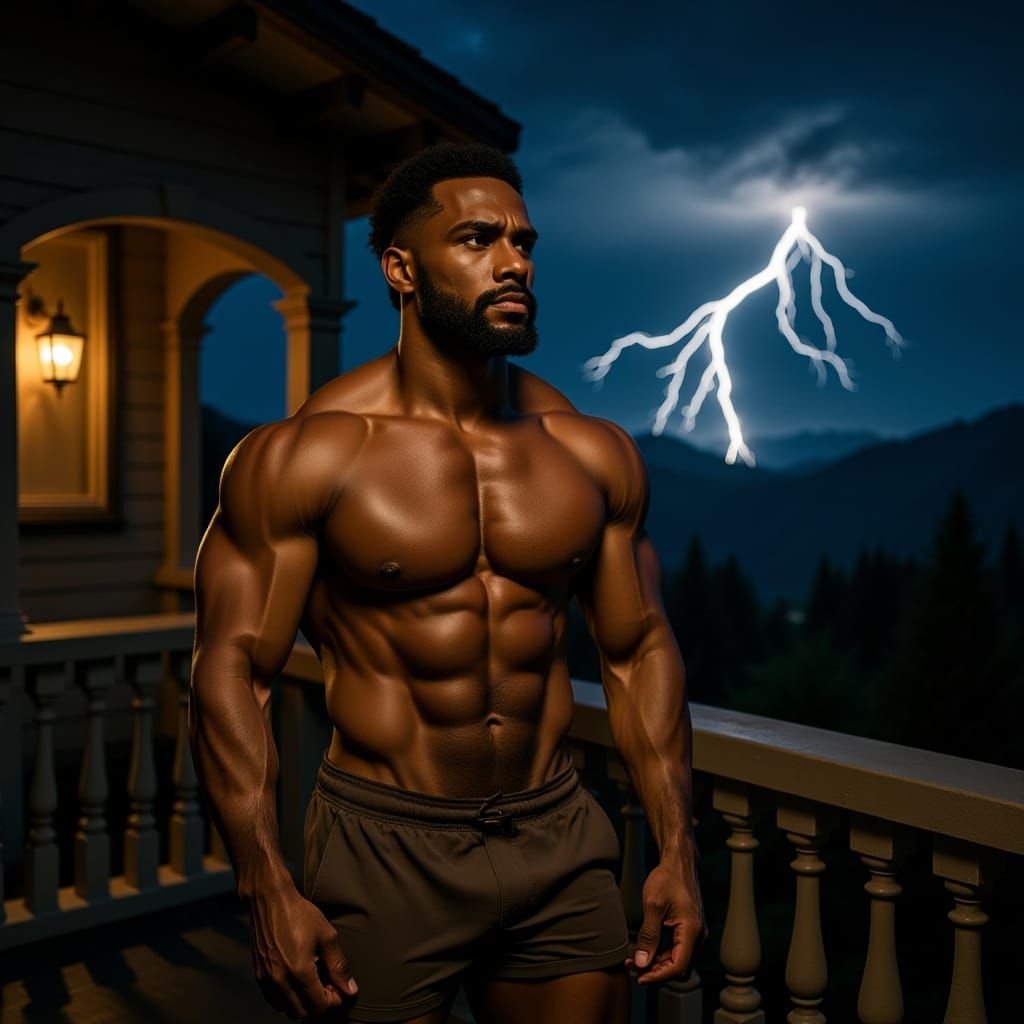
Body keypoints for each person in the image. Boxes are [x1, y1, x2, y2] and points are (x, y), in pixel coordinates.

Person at [189, 142, 705, 1024]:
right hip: (386, 846)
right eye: (476, 240)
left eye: (523, 241)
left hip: (559, 837)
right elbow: (234, 667)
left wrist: (676, 849)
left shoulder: (588, 451)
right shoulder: (309, 453)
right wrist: (265, 882)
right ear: (400, 267)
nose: (515, 263)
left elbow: (636, 650)